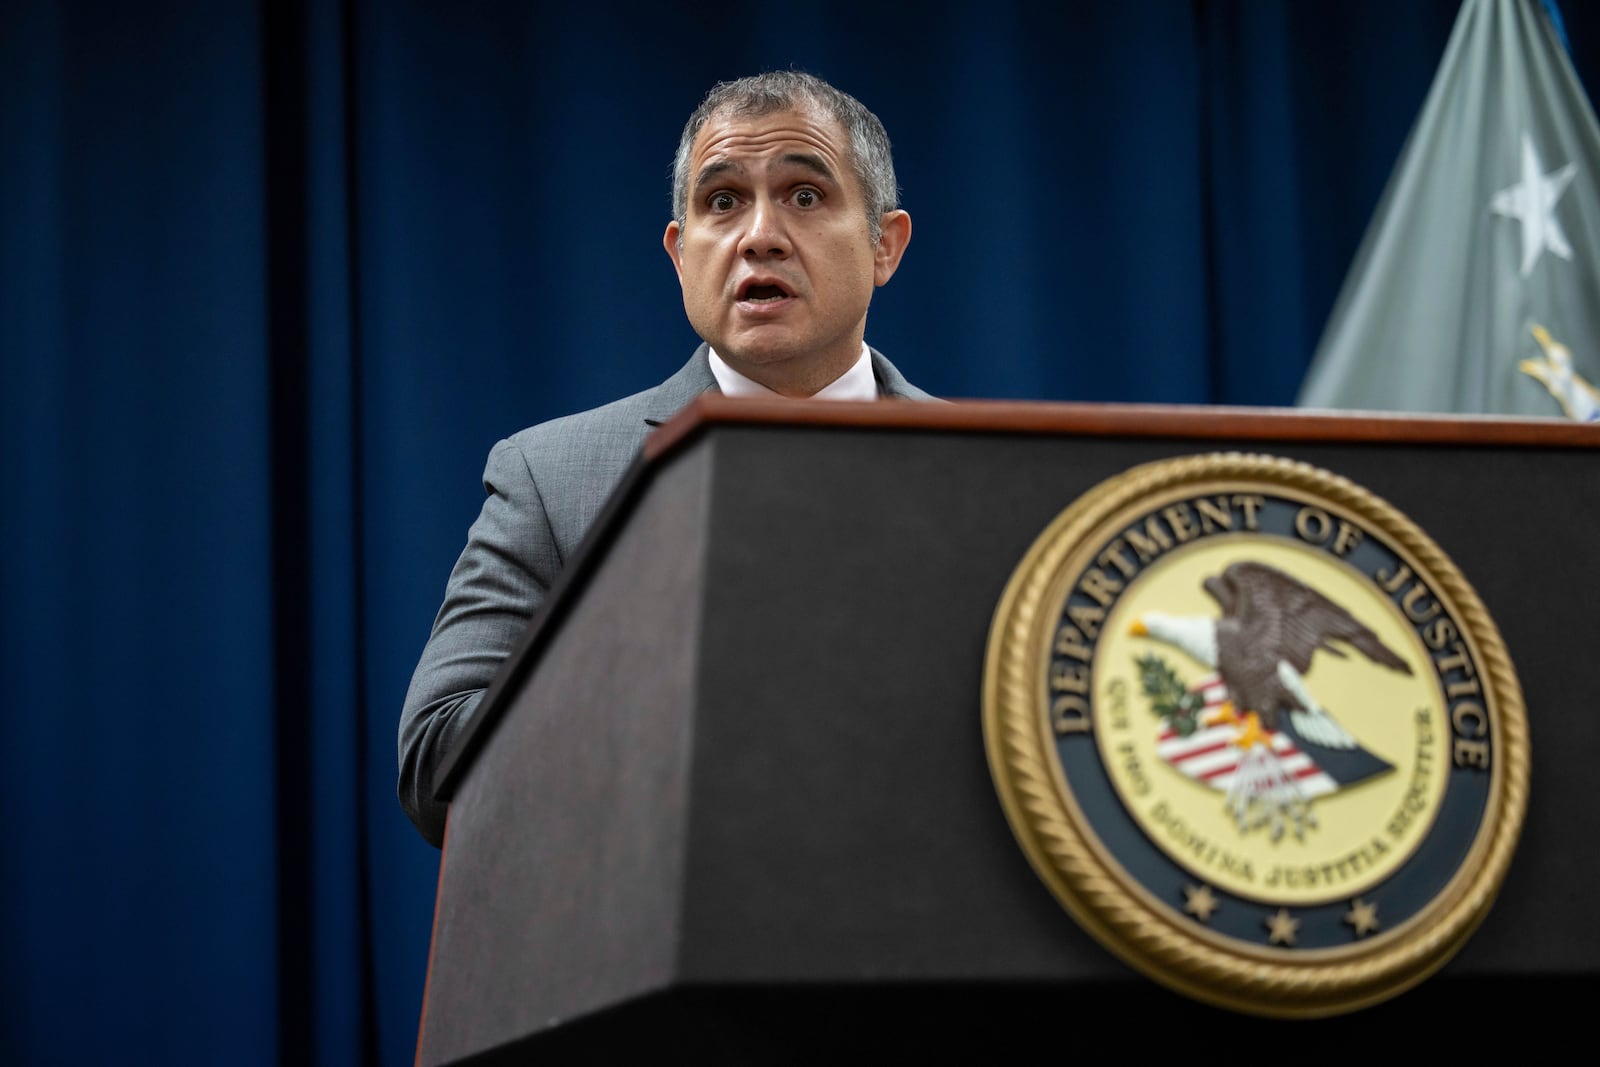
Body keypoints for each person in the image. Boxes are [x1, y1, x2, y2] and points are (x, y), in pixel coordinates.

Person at [399, 71, 930, 846]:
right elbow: (435, 768)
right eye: (722, 202)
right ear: (681, 255)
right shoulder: (551, 480)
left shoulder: (992, 469)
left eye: (805, 196)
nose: (760, 235)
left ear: (885, 243)